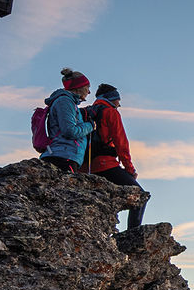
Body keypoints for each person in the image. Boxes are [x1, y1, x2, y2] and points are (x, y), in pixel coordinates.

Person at [84, 83, 147, 230]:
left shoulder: (88, 112)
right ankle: (134, 234)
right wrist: (130, 170)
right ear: (112, 99)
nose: (119, 103)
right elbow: (121, 143)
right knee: (141, 196)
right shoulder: (110, 112)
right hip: (106, 164)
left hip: (86, 167)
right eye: (118, 100)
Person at [41, 68, 96, 172]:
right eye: (87, 87)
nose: (89, 92)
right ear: (79, 87)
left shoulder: (68, 102)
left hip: (64, 155)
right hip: (62, 157)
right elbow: (69, 131)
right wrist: (90, 126)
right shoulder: (65, 101)